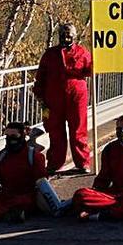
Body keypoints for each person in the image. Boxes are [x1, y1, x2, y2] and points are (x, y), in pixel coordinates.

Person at [33, 23, 92, 174]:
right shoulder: (50, 54)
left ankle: (83, 162)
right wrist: (39, 95)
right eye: (63, 35)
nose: (66, 38)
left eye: (69, 35)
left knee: (78, 130)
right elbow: (40, 76)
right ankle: (54, 163)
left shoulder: (82, 52)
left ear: (74, 36)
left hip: (76, 98)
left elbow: (91, 70)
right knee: (55, 132)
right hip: (52, 100)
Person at [0, 122, 47, 222]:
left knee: (25, 201)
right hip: (6, 195)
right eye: (7, 136)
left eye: (14, 136)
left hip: (26, 195)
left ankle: (9, 213)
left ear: (22, 136)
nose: (10, 139)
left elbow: (42, 181)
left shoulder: (33, 155)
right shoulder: (2, 156)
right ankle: (10, 214)